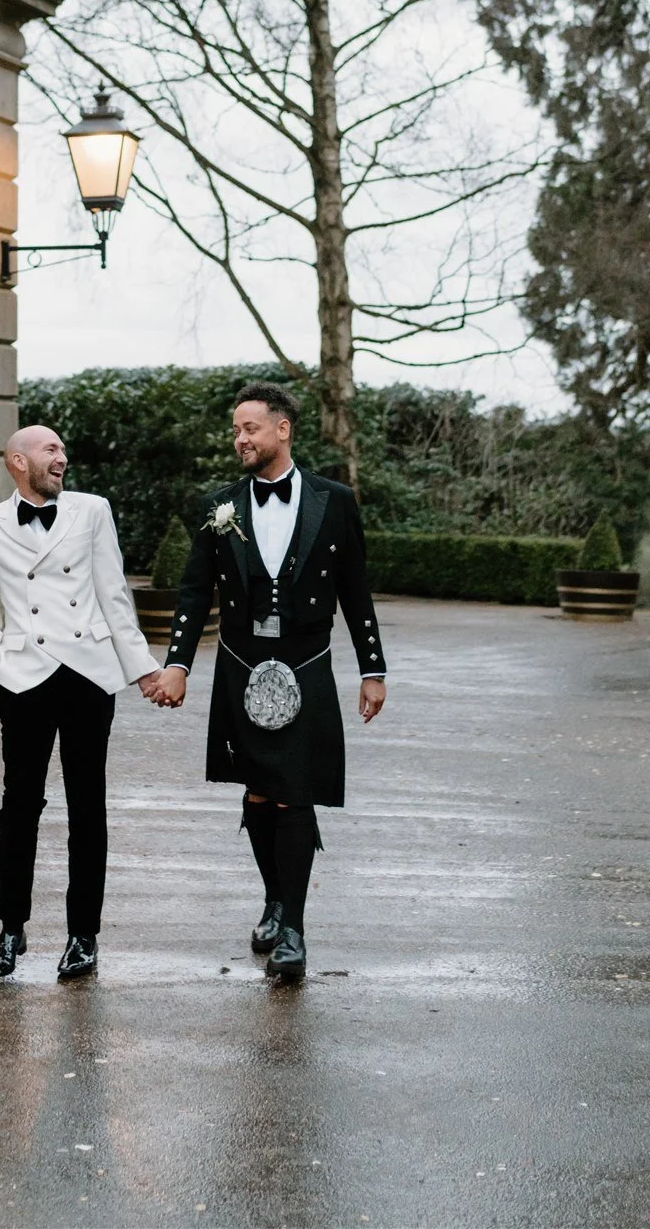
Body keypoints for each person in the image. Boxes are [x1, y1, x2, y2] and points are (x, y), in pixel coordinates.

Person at [152, 381, 386, 984]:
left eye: (250, 428)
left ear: (283, 429)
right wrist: (177, 663)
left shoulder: (334, 501)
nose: (240, 438)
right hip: (239, 661)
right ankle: (275, 899)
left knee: (295, 791)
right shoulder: (219, 504)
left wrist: (372, 669)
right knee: (258, 792)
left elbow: (355, 589)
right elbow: (193, 590)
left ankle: (295, 930)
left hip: (307, 664)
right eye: (236, 429)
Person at [0, 424, 162, 982]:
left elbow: (114, 594)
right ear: (17, 462)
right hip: (24, 678)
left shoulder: (92, 511)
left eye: (63, 450)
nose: (62, 458)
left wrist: (142, 667)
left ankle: (83, 936)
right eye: (51, 450)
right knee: (19, 805)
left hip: (87, 675)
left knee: (87, 807)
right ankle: (10, 926)